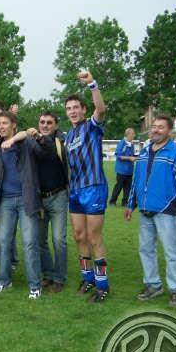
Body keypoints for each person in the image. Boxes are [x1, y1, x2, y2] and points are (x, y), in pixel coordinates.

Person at [125, 116, 176, 306]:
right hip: (145, 211)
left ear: (169, 131)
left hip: (167, 212)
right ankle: (153, 284)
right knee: (146, 249)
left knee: (171, 253)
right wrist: (131, 204)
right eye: (153, 127)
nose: (155, 130)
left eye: (160, 127)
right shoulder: (144, 152)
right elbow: (137, 181)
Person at [0, 113, 53, 298]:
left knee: (30, 243)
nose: (0, 126)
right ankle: (4, 280)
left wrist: (33, 136)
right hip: (6, 201)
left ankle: (35, 284)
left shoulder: (26, 143)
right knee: (4, 242)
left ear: (14, 125)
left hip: (27, 199)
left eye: (4, 123)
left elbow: (46, 152)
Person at [64, 71, 110, 303]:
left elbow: (100, 110)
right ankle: (88, 278)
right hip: (76, 190)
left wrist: (92, 84)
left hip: (94, 187)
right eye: (69, 108)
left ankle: (103, 285)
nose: (72, 111)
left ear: (83, 110)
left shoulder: (91, 126)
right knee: (79, 235)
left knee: (94, 236)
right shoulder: (68, 135)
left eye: (76, 107)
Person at [35, 111, 69, 293]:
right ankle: (47, 274)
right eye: (42, 122)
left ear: (56, 125)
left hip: (58, 196)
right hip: (39, 198)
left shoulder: (61, 142)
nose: (45, 125)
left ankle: (59, 278)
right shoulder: (33, 142)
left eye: (49, 122)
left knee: (59, 240)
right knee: (40, 240)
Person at [109, 127, 137, 206]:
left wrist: (136, 157)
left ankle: (125, 203)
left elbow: (131, 155)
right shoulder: (122, 143)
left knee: (128, 188)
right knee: (119, 186)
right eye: (133, 134)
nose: (134, 135)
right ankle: (112, 201)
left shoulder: (131, 144)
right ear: (128, 134)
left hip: (129, 170)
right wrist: (130, 158)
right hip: (121, 170)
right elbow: (118, 155)